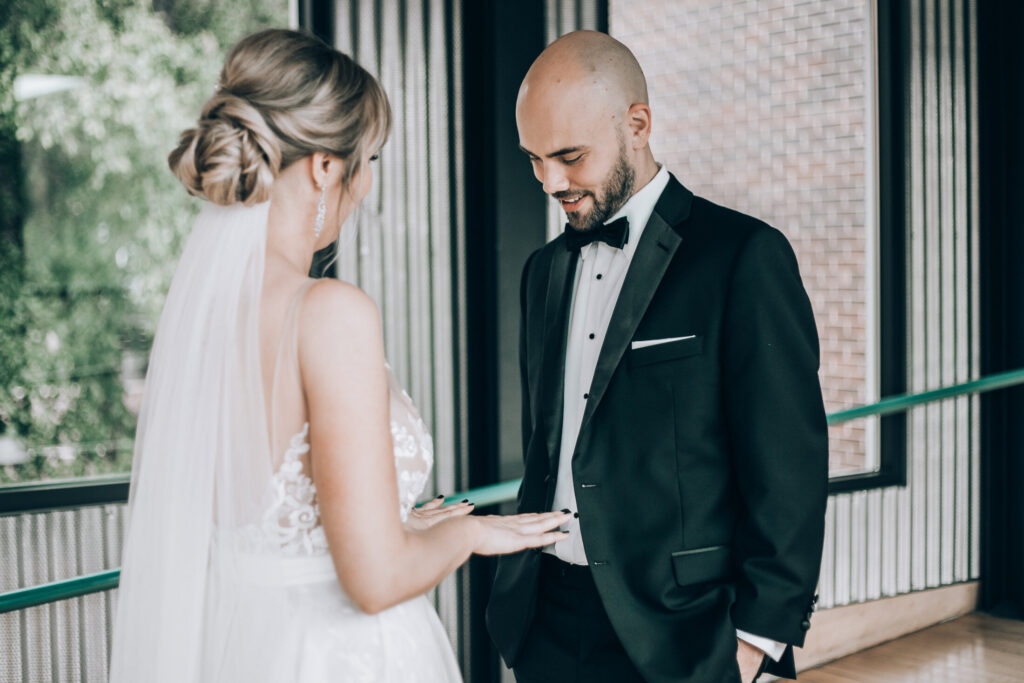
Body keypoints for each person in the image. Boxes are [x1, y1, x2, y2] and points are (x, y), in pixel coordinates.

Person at [108, 28, 570, 683]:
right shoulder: (329, 311)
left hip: (246, 648)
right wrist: (469, 534)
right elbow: (375, 581)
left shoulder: (205, 320)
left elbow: (273, 520)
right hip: (341, 658)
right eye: (369, 157)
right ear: (327, 166)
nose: (368, 184)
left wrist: (398, 522)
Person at [486, 30, 829, 683]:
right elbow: (550, 445)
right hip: (544, 621)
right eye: (533, 159)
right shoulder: (542, 273)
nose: (549, 182)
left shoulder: (742, 258)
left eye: (569, 156)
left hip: (683, 631)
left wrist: (753, 641)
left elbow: (788, 466)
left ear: (637, 125)